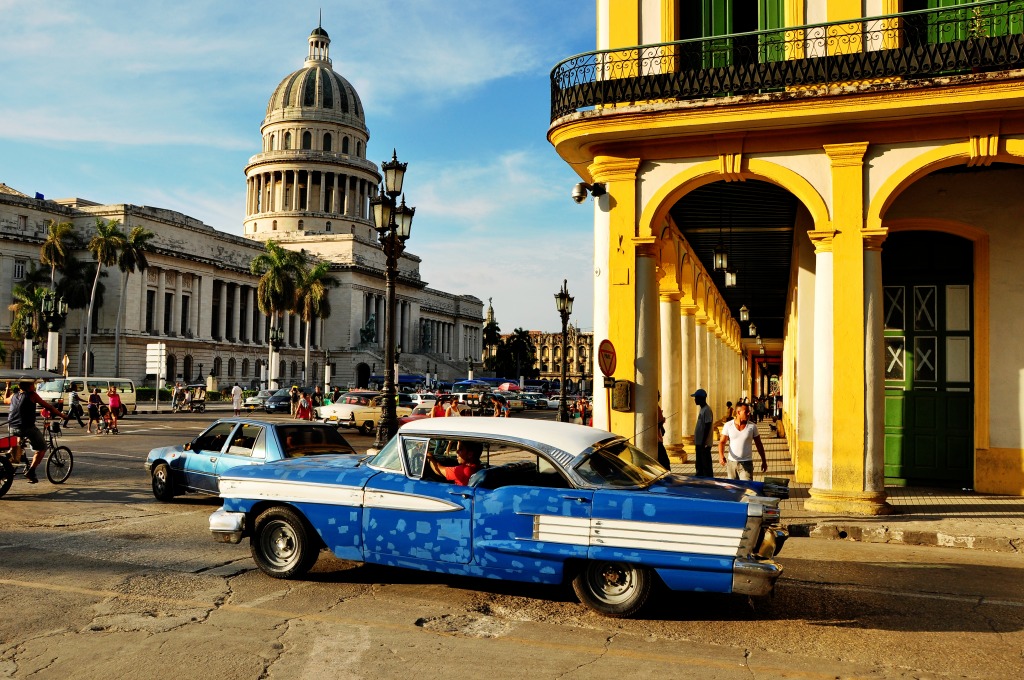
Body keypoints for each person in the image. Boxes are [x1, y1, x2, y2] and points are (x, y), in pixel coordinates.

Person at [5, 382, 67, 483]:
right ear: (29, 386)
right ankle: (31, 472)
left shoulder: (14, 395)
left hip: (12, 427)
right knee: (41, 448)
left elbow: (5, 400)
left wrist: (8, 387)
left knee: (19, 443)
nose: (34, 386)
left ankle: (16, 457)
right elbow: (49, 407)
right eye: (33, 384)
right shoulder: (32, 395)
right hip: (26, 428)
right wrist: (62, 416)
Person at [718, 402, 767, 481]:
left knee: (746, 489)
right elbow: (722, 442)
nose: (749, 413)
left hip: (746, 464)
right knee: (733, 489)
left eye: (749, 411)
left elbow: (759, 444)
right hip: (731, 464)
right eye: (746, 411)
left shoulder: (752, 427)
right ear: (738, 412)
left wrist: (764, 461)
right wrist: (721, 456)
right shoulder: (728, 425)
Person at [691, 388, 714, 477]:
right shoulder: (702, 409)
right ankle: (700, 478)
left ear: (701, 398)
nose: (695, 400)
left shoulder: (707, 410)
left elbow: (707, 426)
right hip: (700, 443)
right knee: (700, 464)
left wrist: (703, 442)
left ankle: (707, 481)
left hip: (703, 444)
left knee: (705, 465)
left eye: (696, 398)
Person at [656, 393, 670, 469]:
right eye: (658, 396)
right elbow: (658, 425)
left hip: (657, 440)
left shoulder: (654, 407)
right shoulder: (656, 408)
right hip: (658, 441)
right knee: (665, 463)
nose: (659, 398)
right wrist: (662, 421)